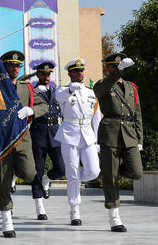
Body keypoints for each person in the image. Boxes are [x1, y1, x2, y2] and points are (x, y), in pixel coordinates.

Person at [0, 50, 48, 238]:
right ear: (4, 66)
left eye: (17, 66)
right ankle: (6, 220)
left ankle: (13, 175)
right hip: (2, 141)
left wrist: (31, 110)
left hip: (23, 139)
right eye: (11, 65)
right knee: (1, 182)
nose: (15, 69)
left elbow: (44, 105)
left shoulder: (26, 87)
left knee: (30, 173)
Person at [93, 53, 143, 232]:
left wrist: (139, 139)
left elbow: (137, 114)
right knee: (110, 177)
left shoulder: (132, 87)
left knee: (136, 172)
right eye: (112, 67)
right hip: (110, 134)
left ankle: (111, 173)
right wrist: (117, 72)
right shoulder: (102, 85)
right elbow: (99, 92)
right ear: (107, 68)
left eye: (118, 67)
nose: (114, 70)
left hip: (129, 134)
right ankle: (114, 217)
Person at [54, 58, 101, 226]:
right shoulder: (63, 90)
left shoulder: (91, 92)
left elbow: (96, 118)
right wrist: (70, 90)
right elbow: (59, 97)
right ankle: (75, 210)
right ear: (69, 73)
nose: (79, 73)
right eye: (76, 71)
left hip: (87, 135)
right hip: (69, 134)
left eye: (81, 70)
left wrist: (97, 140)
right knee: (72, 172)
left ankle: (73, 179)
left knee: (94, 171)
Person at [30, 62, 65, 220]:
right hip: (38, 134)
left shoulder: (56, 92)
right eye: (43, 74)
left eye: (48, 74)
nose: (46, 77)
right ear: (37, 75)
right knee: (37, 170)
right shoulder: (32, 91)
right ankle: (39, 206)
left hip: (54, 134)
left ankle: (47, 179)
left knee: (61, 168)